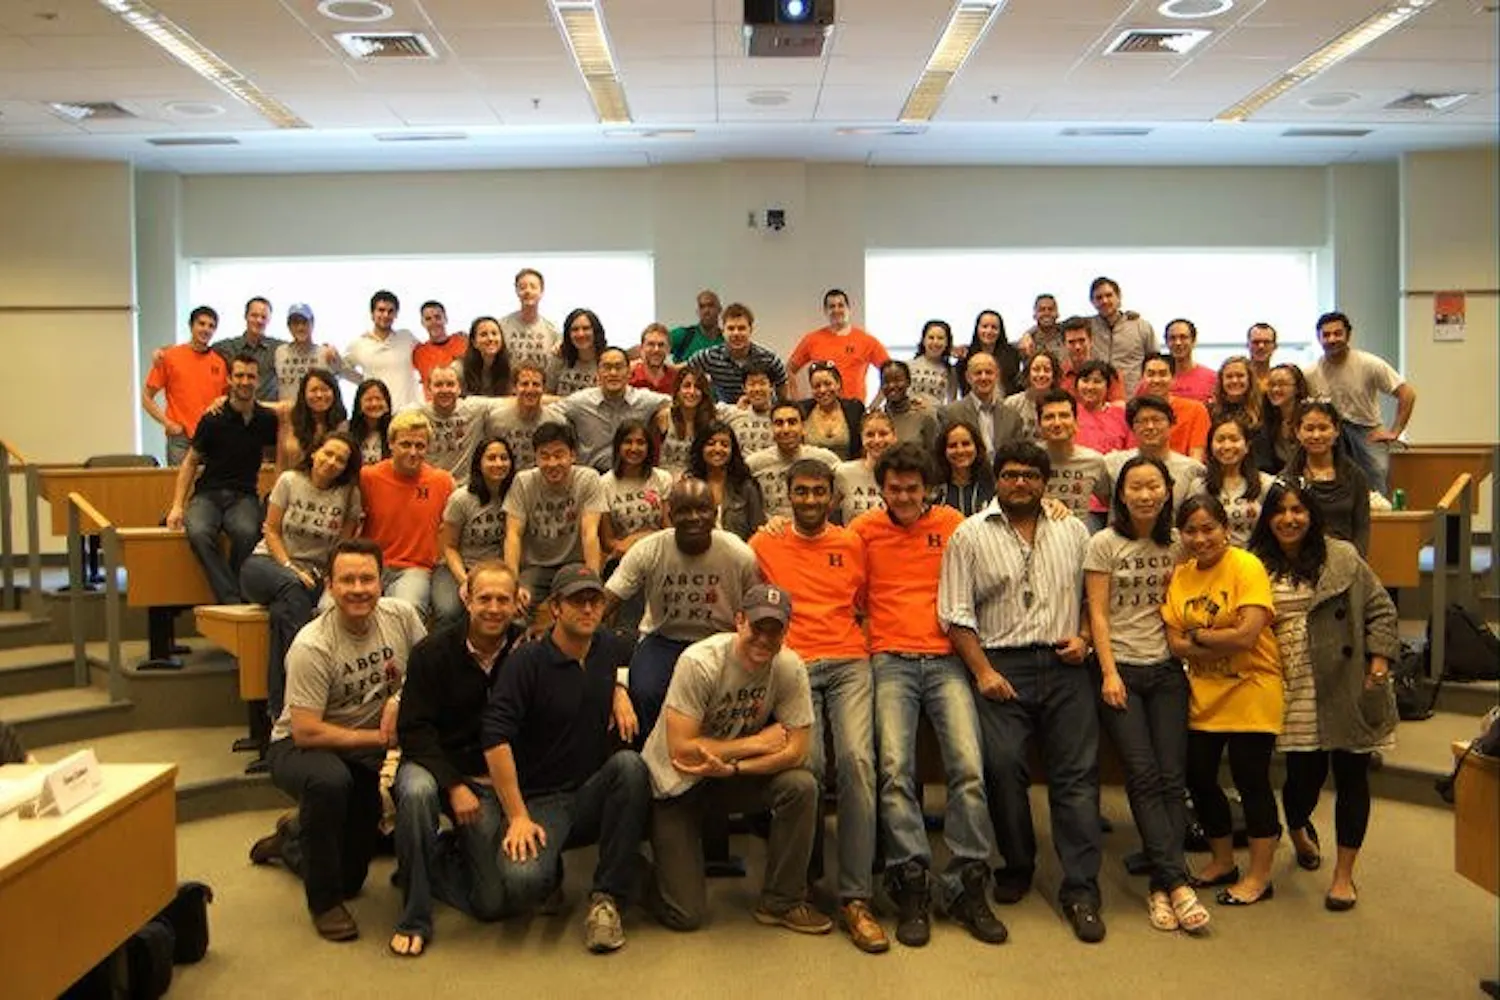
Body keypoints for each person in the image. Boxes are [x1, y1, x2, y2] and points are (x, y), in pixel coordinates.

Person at [940, 441, 1103, 944]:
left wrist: (1083, 637)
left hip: (1065, 661)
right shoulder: (968, 535)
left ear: (1045, 481)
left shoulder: (1074, 530)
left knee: (1076, 776)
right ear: (996, 480)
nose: (1020, 484)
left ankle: (1081, 889)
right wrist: (983, 672)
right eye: (1010, 475)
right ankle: (1018, 863)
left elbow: (1090, 598)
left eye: (1031, 476)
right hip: (1001, 665)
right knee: (1003, 767)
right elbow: (955, 613)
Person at [852, 443, 1008, 948]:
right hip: (890, 661)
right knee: (895, 771)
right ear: (881, 490)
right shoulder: (863, 532)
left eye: (912, 489)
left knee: (968, 768)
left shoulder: (953, 524)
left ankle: (965, 885)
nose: (903, 496)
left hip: (946, 661)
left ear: (928, 489)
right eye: (894, 489)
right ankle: (911, 882)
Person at [250, 538, 426, 942]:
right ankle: (324, 904)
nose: (359, 588)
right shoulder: (313, 645)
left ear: (382, 582)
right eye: (347, 580)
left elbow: (426, 669)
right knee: (330, 783)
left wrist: (399, 700)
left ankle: (293, 839)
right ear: (329, 585)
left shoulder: (401, 617)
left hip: (359, 749)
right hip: (300, 747)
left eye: (367, 578)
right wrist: (381, 739)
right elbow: (306, 731)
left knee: (352, 877)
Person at [479, 564, 652, 953]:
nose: (588, 609)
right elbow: (494, 738)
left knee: (630, 767)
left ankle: (606, 897)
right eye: (577, 601)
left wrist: (618, 692)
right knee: (523, 884)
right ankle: (453, 854)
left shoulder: (606, 646)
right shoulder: (526, 662)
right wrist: (518, 815)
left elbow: (608, 673)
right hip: (541, 800)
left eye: (594, 601)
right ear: (555, 608)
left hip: (589, 790)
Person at [750, 461, 886, 953]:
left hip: (850, 661)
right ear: (787, 495)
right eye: (800, 492)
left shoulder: (852, 543)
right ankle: (800, 887)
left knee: (857, 763)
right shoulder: (764, 542)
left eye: (818, 492)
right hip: (794, 664)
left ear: (833, 497)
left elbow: (867, 604)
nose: (809, 500)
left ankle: (855, 897)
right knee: (810, 767)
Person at [1248, 479, 1401, 912]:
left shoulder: (1343, 557)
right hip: (1290, 687)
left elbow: (1380, 608)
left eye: (1299, 510)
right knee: (1302, 779)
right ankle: (1297, 826)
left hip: (1346, 681)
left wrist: (1379, 661)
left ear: (1312, 515)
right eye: (1280, 511)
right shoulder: (1255, 563)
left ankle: (1344, 876)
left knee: (1352, 778)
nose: (1289, 519)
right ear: (1268, 518)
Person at [642, 584, 828, 935]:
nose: (764, 638)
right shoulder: (700, 662)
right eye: (758, 627)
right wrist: (755, 743)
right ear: (739, 621)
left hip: (728, 777)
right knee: (686, 915)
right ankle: (639, 872)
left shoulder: (788, 666)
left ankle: (781, 902)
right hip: (677, 783)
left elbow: (796, 751)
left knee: (801, 785)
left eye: (775, 630)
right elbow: (681, 748)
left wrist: (734, 768)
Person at [1084, 456, 1210, 934]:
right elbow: (1097, 614)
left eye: (1152, 486)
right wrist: (1109, 673)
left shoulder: (1180, 543)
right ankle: (1179, 883)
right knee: (1141, 773)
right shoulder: (1104, 543)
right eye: (1134, 486)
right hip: (1122, 672)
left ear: (1165, 491)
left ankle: (1163, 886)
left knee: (1171, 776)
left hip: (1167, 671)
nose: (1144, 494)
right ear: (1120, 494)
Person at [389, 561, 526, 957]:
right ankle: (414, 916)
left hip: (490, 777)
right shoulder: (431, 652)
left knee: (492, 904)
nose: (494, 608)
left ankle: (434, 858)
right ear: (466, 598)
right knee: (414, 794)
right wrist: (453, 785)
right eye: (484, 598)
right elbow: (414, 731)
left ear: (518, 603)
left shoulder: (527, 650)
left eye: (504, 599)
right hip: (435, 766)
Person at [1163, 495, 1282, 907]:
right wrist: (1216, 640)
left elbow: (1248, 635)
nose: (1200, 538)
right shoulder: (1181, 576)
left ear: (1225, 529)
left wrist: (1198, 638)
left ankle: (1260, 877)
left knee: (1252, 782)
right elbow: (1174, 645)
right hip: (1205, 696)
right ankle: (1223, 861)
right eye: (1191, 531)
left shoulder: (1246, 566)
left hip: (1253, 688)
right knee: (1199, 779)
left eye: (1208, 528)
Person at [605, 478, 761, 738]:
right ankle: (651, 760)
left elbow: (754, 609)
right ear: (670, 513)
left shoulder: (738, 553)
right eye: (684, 511)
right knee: (645, 691)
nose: (694, 517)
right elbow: (609, 599)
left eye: (702, 510)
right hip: (663, 639)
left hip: (721, 641)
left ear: (715, 513)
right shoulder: (649, 549)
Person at [241, 430, 363, 729]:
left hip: (312, 577)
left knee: (284, 612)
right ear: (314, 453)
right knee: (292, 589)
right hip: (266, 564)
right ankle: (300, 690)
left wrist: (323, 576)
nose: (332, 462)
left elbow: (342, 546)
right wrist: (289, 567)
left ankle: (279, 709)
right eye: (328, 454)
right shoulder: (289, 481)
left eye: (341, 460)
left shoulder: (348, 494)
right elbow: (270, 530)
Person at [165, 353, 278, 603]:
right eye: (239, 375)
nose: (245, 381)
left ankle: (234, 592)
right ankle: (232, 598)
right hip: (207, 495)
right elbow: (191, 462)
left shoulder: (266, 420)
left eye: (251, 376)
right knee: (199, 532)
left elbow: (278, 448)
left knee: (247, 533)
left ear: (258, 381)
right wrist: (176, 506)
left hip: (244, 496)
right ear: (229, 379)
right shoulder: (212, 418)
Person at [1304, 310, 1416, 494]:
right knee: (1328, 480)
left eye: (1337, 333)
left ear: (1348, 335)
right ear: (1319, 338)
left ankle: (1381, 520)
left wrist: (1395, 431)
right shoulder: (1310, 373)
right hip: (1330, 432)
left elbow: (1407, 393)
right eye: (1326, 335)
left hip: (1367, 430)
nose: (1332, 339)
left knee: (1377, 474)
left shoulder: (1369, 364)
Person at [359, 410, 456, 613]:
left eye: (420, 446)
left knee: (407, 610)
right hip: (370, 564)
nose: (413, 452)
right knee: (329, 607)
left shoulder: (442, 482)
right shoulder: (368, 477)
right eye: (405, 444)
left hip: (414, 569)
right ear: (391, 444)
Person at [502, 422, 607, 606]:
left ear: (573, 455)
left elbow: (589, 534)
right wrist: (513, 583)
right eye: (544, 456)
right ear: (535, 457)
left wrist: (593, 581)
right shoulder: (523, 482)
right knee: (518, 609)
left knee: (583, 608)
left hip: (575, 565)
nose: (552, 463)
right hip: (535, 567)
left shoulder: (588, 479)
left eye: (559, 455)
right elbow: (513, 535)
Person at [433, 437, 516, 630]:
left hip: (497, 570)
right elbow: (449, 547)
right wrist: (467, 582)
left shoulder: (516, 494)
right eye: (491, 458)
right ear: (479, 463)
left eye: (504, 458)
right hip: (459, 568)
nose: (498, 463)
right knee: (448, 611)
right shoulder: (461, 499)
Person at [557, 346, 672, 472]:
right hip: (592, 477)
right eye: (606, 367)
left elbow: (677, 403)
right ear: (598, 373)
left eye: (619, 367)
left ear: (629, 372)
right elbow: (549, 410)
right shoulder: (581, 402)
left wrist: (664, 412)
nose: (613, 373)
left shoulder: (644, 400)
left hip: (632, 475)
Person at [142, 305, 228, 465]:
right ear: (191, 326)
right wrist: (167, 423)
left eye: (211, 326)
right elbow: (146, 397)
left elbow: (225, 398)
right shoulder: (170, 357)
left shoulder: (219, 362)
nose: (206, 329)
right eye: (201, 324)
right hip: (180, 438)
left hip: (211, 436)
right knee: (181, 486)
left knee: (210, 487)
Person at [1284, 399, 1371, 555]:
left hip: (1346, 560)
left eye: (1323, 428)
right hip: (1300, 560)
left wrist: (1355, 563)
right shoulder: (1287, 478)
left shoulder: (1356, 476)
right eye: (1309, 429)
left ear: (1336, 430)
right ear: (1297, 432)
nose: (1316, 435)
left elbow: (1361, 528)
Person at [1106, 396, 1207, 515]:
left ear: (1171, 424)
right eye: (1142, 421)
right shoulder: (1111, 464)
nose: (1150, 427)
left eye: (1157, 420)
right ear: (1132, 427)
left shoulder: (1192, 469)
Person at [407, 363, 504, 483]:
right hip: (430, 486)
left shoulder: (475, 408)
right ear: (428, 389)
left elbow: (508, 403)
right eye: (438, 385)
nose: (445, 390)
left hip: (466, 487)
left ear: (459, 388)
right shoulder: (416, 415)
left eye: (450, 384)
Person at [788, 288, 888, 403]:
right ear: (825, 311)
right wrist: (796, 405)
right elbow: (789, 369)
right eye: (832, 306)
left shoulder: (867, 341)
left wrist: (874, 405)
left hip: (854, 410)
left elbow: (889, 373)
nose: (836, 310)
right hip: (822, 409)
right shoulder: (812, 340)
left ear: (848, 309)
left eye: (841, 305)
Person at [598, 420, 673, 572]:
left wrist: (643, 541)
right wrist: (633, 547)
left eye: (640, 443)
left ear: (649, 447)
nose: (634, 448)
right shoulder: (603, 484)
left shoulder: (662, 478)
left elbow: (668, 528)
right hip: (623, 559)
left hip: (659, 555)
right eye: (627, 442)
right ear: (618, 446)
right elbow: (607, 541)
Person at [746, 403, 840, 519]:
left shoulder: (826, 460)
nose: (786, 429)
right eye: (779, 423)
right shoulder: (754, 463)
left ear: (804, 428)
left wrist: (826, 514)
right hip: (772, 532)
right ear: (771, 429)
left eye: (792, 422)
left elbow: (843, 490)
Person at [693, 303, 789, 405]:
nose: (736, 333)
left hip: (764, 415)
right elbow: (684, 373)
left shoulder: (770, 360)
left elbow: (783, 398)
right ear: (723, 331)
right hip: (727, 415)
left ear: (750, 330)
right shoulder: (709, 357)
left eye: (741, 328)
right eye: (731, 328)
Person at [940, 351, 1023, 468]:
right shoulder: (950, 414)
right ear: (968, 377)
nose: (983, 377)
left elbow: (1018, 457)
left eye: (989, 372)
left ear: (997, 375)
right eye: (978, 373)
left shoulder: (1012, 416)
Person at [341, 290, 421, 411]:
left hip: (407, 413)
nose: (385, 315)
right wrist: (364, 382)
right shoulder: (360, 344)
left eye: (390, 311)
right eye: (381, 310)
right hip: (377, 414)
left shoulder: (407, 337)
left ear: (396, 314)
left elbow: (428, 355)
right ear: (372, 313)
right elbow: (341, 369)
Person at [1038, 390, 1110, 524]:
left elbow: (1110, 503)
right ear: (1039, 425)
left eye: (1064, 415)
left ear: (1076, 421)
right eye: (1049, 417)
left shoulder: (1094, 461)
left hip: (1078, 538)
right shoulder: (1028, 460)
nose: (1057, 423)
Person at [689, 421, 765, 540]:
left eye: (724, 444)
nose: (718, 449)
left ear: (732, 451)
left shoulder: (746, 486)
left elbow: (758, 531)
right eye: (711, 443)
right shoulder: (689, 486)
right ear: (701, 448)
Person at [1205, 416, 1274, 546]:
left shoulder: (1266, 484)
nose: (1227, 446)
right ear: (1211, 446)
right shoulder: (1199, 485)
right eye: (1220, 440)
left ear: (1247, 446)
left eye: (1234, 439)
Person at [486, 363, 566, 471]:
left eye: (536, 384)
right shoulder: (496, 419)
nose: (530, 390)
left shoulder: (557, 421)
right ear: (514, 388)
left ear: (544, 389)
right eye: (524, 384)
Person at [1088, 277, 1157, 398]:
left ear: (1119, 297)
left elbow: (1155, 363)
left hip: (1134, 400)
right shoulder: (1087, 328)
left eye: (1109, 295)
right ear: (1092, 302)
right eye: (1098, 298)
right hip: (1098, 401)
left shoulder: (1141, 327)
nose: (1104, 301)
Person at [654, 367, 729, 474]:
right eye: (686, 386)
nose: (692, 391)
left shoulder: (712, 419)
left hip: (698, 481)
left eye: (698, 387)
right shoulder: (664, 416)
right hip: (666, 479)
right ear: (678, 390)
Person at [1138, 354, 1210, 462]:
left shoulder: (1196, 410)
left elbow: (1196, 458)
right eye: (1151, 374)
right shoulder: (1133, 411)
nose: (1156, 380)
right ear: (1142, 379)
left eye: (1162, 374)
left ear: (1173, 379)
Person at [277, 369, 348, 474]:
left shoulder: (343, 426)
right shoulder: (289, 418)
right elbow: (281, 462)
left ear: (335, 393)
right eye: (313, 390)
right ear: (304, 394)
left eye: (325, 390)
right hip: (290, 485)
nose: (319, 395)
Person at [215, 296, 285, 402]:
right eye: (254, 315)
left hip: (268, 413)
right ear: (245, 316)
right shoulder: (226, 347)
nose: (259, 320)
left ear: (269, 320)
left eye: (263, 317)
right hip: (235, 413)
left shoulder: (279, 349)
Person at [833, 412, 896, 523]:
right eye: (870, 434)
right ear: (861, 438)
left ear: (894, 437)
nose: (877, 440)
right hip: (853, 538)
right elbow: (824, 513)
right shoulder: (843, 472)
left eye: (883, 434)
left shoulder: (904, 475)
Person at [798, 361, 866, 460]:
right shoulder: (802, 409)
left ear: (838, 384)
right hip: (811, 473)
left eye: (828, 384)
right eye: (817, 386)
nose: (822, 390)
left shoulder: (855, 409)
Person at [274, 303, 342, 401]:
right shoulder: (279, 352)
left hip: (315, 413)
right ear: (288, 326)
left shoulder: (326, 353)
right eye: (295, 323)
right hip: (286, 413)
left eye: (304, 322)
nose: (300, 327)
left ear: (312, 323)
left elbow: (336, 386)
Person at [500, 267, 560, 374]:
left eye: (533, 287)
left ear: (541, 291)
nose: (528, 291)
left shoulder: (553, 330)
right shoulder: (502, 325)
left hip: (539, 388)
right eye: (522, 287)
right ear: (517, 291)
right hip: (507, 388)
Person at [933, 420, 995, 518]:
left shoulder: (993, 487)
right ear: (943, 451)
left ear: (977, 447)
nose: (960, 450)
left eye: (966, 444)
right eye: (952, 446)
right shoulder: (934, 490)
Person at [957, 309, 1023, 398]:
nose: (989, 331)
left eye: (994, 327)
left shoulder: (1012, 354)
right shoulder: (966, 355)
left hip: (1006, 406)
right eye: (984, 326)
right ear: (977, 328)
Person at [1257, 363, 1309, 474]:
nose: (1275, 389)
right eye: (1271, 385)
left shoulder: (1309, 421)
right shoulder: (1267, 423)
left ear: (1297, 388)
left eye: (1282, 384)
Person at [1071, 359, 1132, 454]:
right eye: (1085, 380)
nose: (1090, 387)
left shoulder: (1122, 414)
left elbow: (1130, 451)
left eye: (1097, 381)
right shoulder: (1069, 413)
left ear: (1107, 387)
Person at [878, 359, 939, 453]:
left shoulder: (925, 415)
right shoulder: (878, 418)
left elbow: (934, 455)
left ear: (908, 382)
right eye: (886, 381)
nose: (892, 385)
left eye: (897, 380)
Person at [413, 300, 469, 400]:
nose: (433, 322)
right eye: (428, 319)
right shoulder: (418, 352)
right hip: (433, 410)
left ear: (445, 319)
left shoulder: (463, 342)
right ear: (422, 323)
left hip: (462, 405)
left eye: (437, 317)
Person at [1059, 317, 1125, 403]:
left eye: (1082, 340)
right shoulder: (1058, 375)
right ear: (1064, 344)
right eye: (1071, 342)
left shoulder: (1111, 374)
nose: (1077, 347)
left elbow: (1118, 410)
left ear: (1090, 341)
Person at [723, 362, 777, 456]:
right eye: (751, 384)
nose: (757, 389)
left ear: (772, 386)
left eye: (762, 383)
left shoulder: (782, 418)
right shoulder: (732, 414)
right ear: (744, 388)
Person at [1003, 351, 1060, 441]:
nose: (1041, 374)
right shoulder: (1011, 404)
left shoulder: (1061, 404)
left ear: (1054, 376)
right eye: (1036, 369)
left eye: (1047, 370)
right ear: (1028, 374)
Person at [551, 308, 607, 397]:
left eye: (586, 328)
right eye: (575, 329)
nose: (580, 334)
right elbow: (544, 396)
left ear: (595, 331)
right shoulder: (560, 358)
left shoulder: (606, 362)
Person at [1160, 318, 1217, 404]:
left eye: (1183, 337)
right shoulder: (1154, 380)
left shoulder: (1212, 378)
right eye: (1172, 338)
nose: (1178, 343)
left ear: (1193, 341)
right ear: (1166, 342)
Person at [909, 320, 958, 409]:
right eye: (931, 338)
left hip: (935, 420)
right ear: (923, 340)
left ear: (947, 343)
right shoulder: (908, 366)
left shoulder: (950, 371)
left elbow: (952, 404)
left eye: (940, 338)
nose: (935, 342)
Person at [1209, 355, 1265, 433]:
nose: (1234, 381)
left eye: (1240, 376)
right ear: (1221, 380)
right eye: (1229, 376)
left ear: (1250, 379)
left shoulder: (1264, 409)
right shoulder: (1210, 411)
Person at [459, 315, 511, 398]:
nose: (490, 338)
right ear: (474, 342)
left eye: (494, 333)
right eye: (483, 335)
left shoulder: (510, 367)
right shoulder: (459, 369)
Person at [668, 290, 724, 364]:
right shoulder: (682, 335)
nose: (706, 311)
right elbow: (651, 348)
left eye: (711, 305)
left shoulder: (726, 340)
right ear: (697, 311)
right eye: (702, 307)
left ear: (719, 309)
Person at [349, 379, 393, 468]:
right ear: (359, 405)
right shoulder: (346, 429)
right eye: (369, 400)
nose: (374, 403)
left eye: (379, 399)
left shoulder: (396, 429)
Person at [630, 322, 679, 394]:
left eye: (661, 345)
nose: (656, 349)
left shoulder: (676, 379)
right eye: (651, 344)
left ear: (668, 349)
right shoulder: (629, 377)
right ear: (642, 348)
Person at [1018, 293, 1063, 358]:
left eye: (1050, 309)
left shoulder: (1066, 335)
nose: (1046, 313)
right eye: (1042, 310)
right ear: (1034, 315)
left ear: (1057, 314)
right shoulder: (1026, 343)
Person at [1247, 323, 1278, 388]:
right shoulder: (1236, 380)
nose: (1261, 346)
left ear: (1275, 346)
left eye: (1267, 342)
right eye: (1256, 342)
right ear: (1248, 345)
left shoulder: (1279, 380)